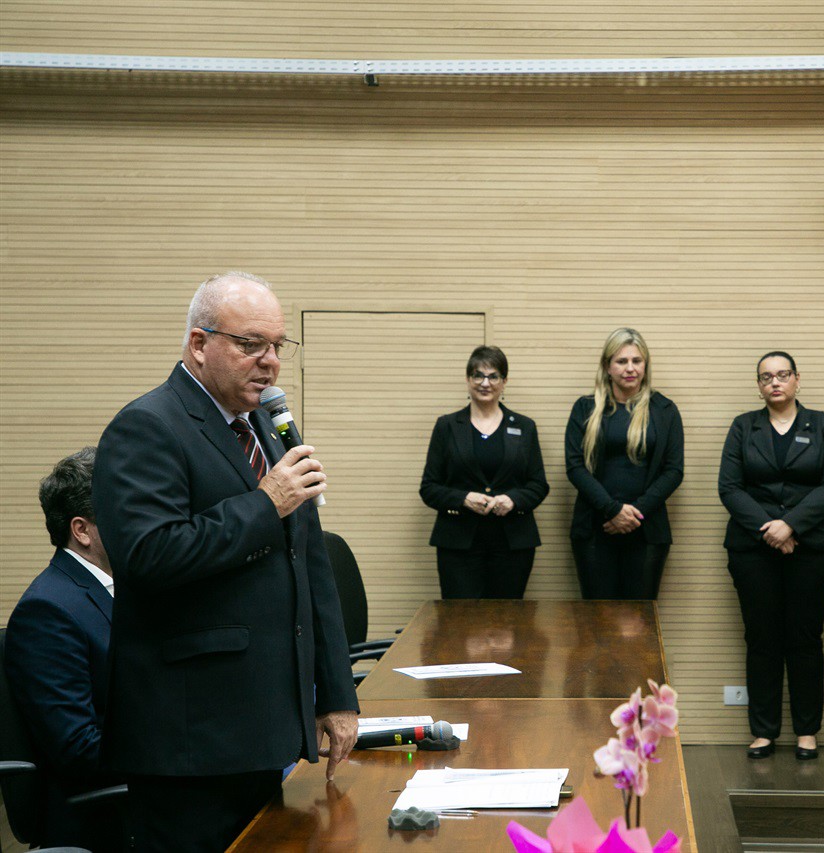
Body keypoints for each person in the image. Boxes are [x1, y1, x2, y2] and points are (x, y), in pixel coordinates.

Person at [92, 271, 359, 853]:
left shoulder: (267, 424)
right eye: (250, 344)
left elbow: (309, 563)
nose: (269, 362)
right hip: (190, 738)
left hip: (264, 728)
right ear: (198, 344)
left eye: (277, 347)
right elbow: (148, 555)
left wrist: (336, 695)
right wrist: (266, 504)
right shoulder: (147, 426)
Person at [718, 352, 824, 761]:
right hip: (753, 549)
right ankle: (764, 731)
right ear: (759, 385)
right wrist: (771, 530)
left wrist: (790, 525)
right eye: (766, 377)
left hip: (813, 549)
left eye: (782, 375)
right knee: (761, 638)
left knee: (805, 638)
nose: (775, 382)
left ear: (796, 380)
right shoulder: (744, 427)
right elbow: (730, 488)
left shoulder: (822, 424)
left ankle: (807, 731)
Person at [4, 448, 128, 852]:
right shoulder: (48, 609)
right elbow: (79, 749)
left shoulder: (127, 588)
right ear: (83, 529)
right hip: (104, 815)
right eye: (127, 511)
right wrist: (178, 742)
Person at [419, 345, 549, 598]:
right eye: (478, 375)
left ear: (504, 381)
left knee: (507, 624)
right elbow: (429, 488)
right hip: (458, 545)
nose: (485, 383)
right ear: (468, 380)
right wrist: (463, 499)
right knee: (460, 623)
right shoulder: (447, 426)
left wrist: (513, 499)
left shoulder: (524, 427)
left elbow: (538, 484)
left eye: (493, 376)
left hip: (513, 545)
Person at [565, 327, 684, 600]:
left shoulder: (664, 410)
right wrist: (612, 510)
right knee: (597, 625)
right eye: (621, 361)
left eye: (637, 361)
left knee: (638, 625)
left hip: (647, 531)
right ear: (607, 366)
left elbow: (674, 470)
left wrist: (634, 514)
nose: (630, 368)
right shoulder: (585, 408)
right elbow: (574, 466)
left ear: (645, 365)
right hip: (595, 528)